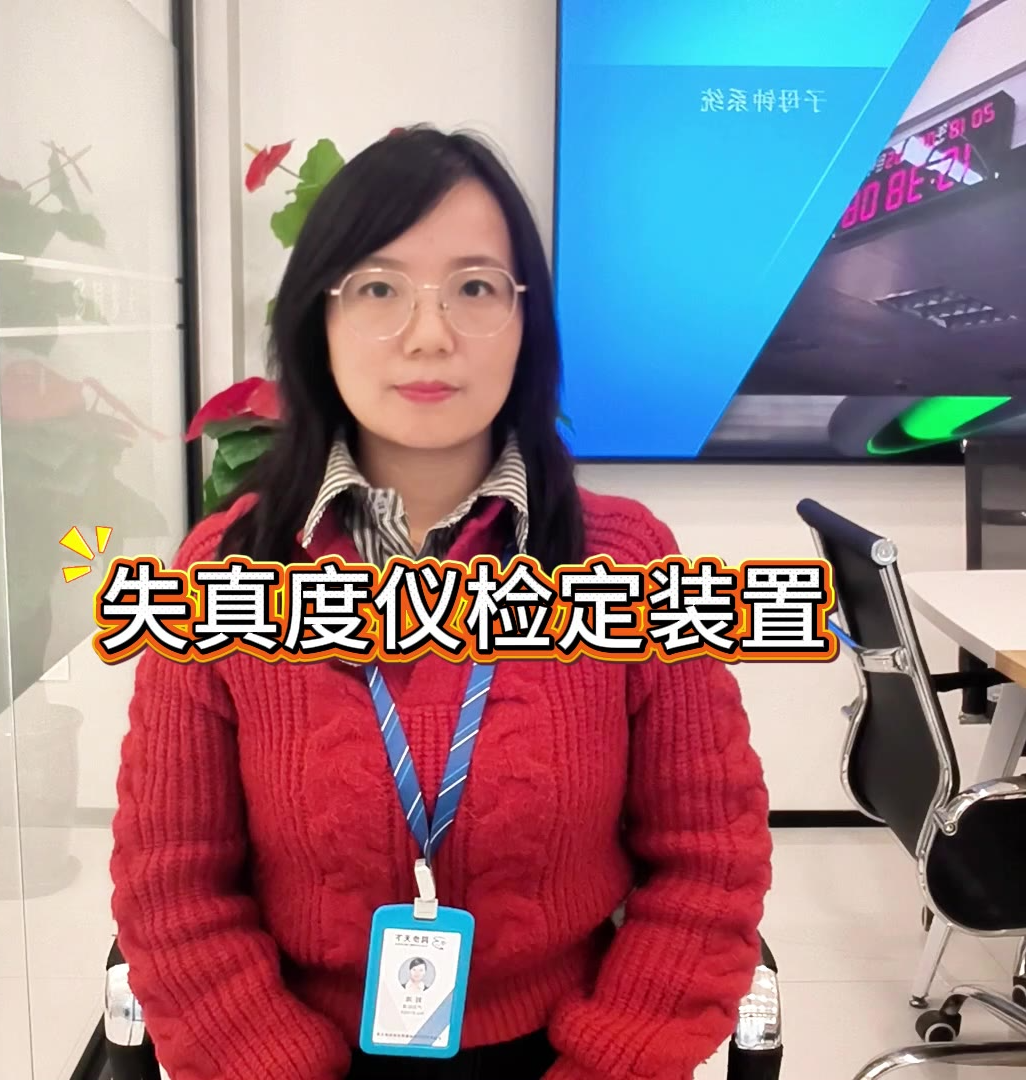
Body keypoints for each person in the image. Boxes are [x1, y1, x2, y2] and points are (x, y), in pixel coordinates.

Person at [110, 126, 771, 1080]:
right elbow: (172, 884)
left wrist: (609, 1066)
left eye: (475, 288)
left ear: (525, 321)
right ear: (318, 320)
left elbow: (710, 860)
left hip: (565, 1049)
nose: (430, 335)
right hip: (295, 1053)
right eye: (379, 289)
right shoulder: (224, 570)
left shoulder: (627, 560)